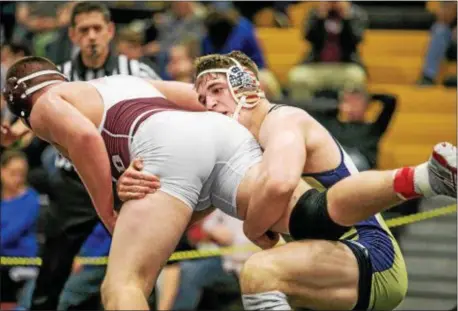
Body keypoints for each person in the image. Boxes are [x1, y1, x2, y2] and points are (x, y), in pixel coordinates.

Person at [2, 56, 456, 310]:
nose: (211, 100)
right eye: (209, 93)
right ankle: (419, 177)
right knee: (296, 229)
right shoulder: (120, 83)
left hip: (366, 254)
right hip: (226, 159)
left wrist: (110, 208)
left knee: (124, 285)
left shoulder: (284, 123)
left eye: (220, 89)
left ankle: (419, 177)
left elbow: (82, 137)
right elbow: (195, 109)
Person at [12, 2, 162, 310]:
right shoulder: (57, 75)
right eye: (84, 30)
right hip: (75, 183)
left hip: (126, 178)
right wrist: (17, 132)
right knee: (53, 265)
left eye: (97, 29)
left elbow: (162, 109)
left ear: (110, 31)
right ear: (73, 34)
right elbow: (37, 111)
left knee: (142, 262)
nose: (91, 36)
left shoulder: (136, 70)